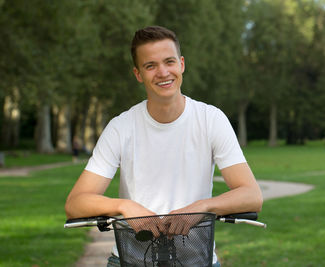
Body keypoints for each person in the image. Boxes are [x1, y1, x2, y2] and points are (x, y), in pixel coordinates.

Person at [65, 25, 263, 267]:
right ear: (138, 74)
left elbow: (252, 196)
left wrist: (202, 207)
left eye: (169, 62)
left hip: (198, 262)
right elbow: (75, 204)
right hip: (130, 262)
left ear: (181, 64)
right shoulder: (121, 127)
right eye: (150, 66)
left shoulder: (211, 119)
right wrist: (125, 207)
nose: (162, 72)